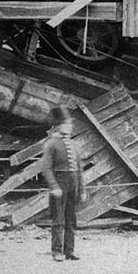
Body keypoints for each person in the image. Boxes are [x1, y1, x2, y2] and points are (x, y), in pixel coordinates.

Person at [41, 106, 86, 262]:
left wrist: (82, 190)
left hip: (73, 185)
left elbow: (79, 170)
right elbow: (46, 168)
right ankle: (57, 251)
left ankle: (69, 251)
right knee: (58, 220)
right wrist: (54, 187)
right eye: (67, 124)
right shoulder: (51, 144)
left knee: (71, 220)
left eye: (70, 124)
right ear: (59, 125)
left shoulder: (74, 145)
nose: (71, 126)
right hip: (59, 185)